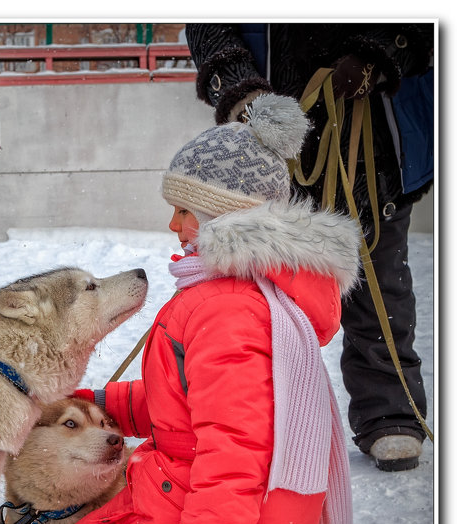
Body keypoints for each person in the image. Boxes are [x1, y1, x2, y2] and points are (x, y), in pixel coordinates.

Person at [64, 94, 360, 524]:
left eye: (184, 210)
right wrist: (100, 404)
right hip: (234, 499)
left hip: (234, 512)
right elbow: (189, 408)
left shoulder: (225, 309)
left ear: (227, 218)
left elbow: (235, 449)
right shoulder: (227, 295)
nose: (172, 225)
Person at [184, 23, 434, 472]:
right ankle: (256, 417)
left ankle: (390, 413)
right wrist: (245, 96)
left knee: (379, 274)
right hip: (268, 133)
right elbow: (210, 24)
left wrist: (378, 55)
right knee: (261, 294)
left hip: (374, 130)